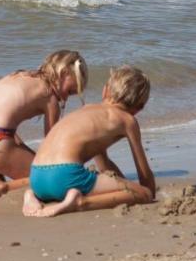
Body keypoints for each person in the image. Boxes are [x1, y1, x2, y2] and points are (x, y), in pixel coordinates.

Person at [0, 50, 88, 206]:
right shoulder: (50, 95)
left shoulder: (16, 76)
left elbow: (5, 126)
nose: (66, 98)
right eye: (70, 91)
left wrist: (22, 151)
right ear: (64, 72)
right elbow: (50, 146)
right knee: (47, 180)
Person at [22, 65, 155, 217]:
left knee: (63, 185)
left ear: (105, 90)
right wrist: (146, 191)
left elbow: (104, 166)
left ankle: (31, 195)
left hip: (37, 178)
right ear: (140, 107)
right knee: (144, 194)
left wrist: (122, 183)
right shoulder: (128, 121)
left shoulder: (86, 109)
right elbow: (143, 172)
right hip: (65, 176)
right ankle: (80, 202)